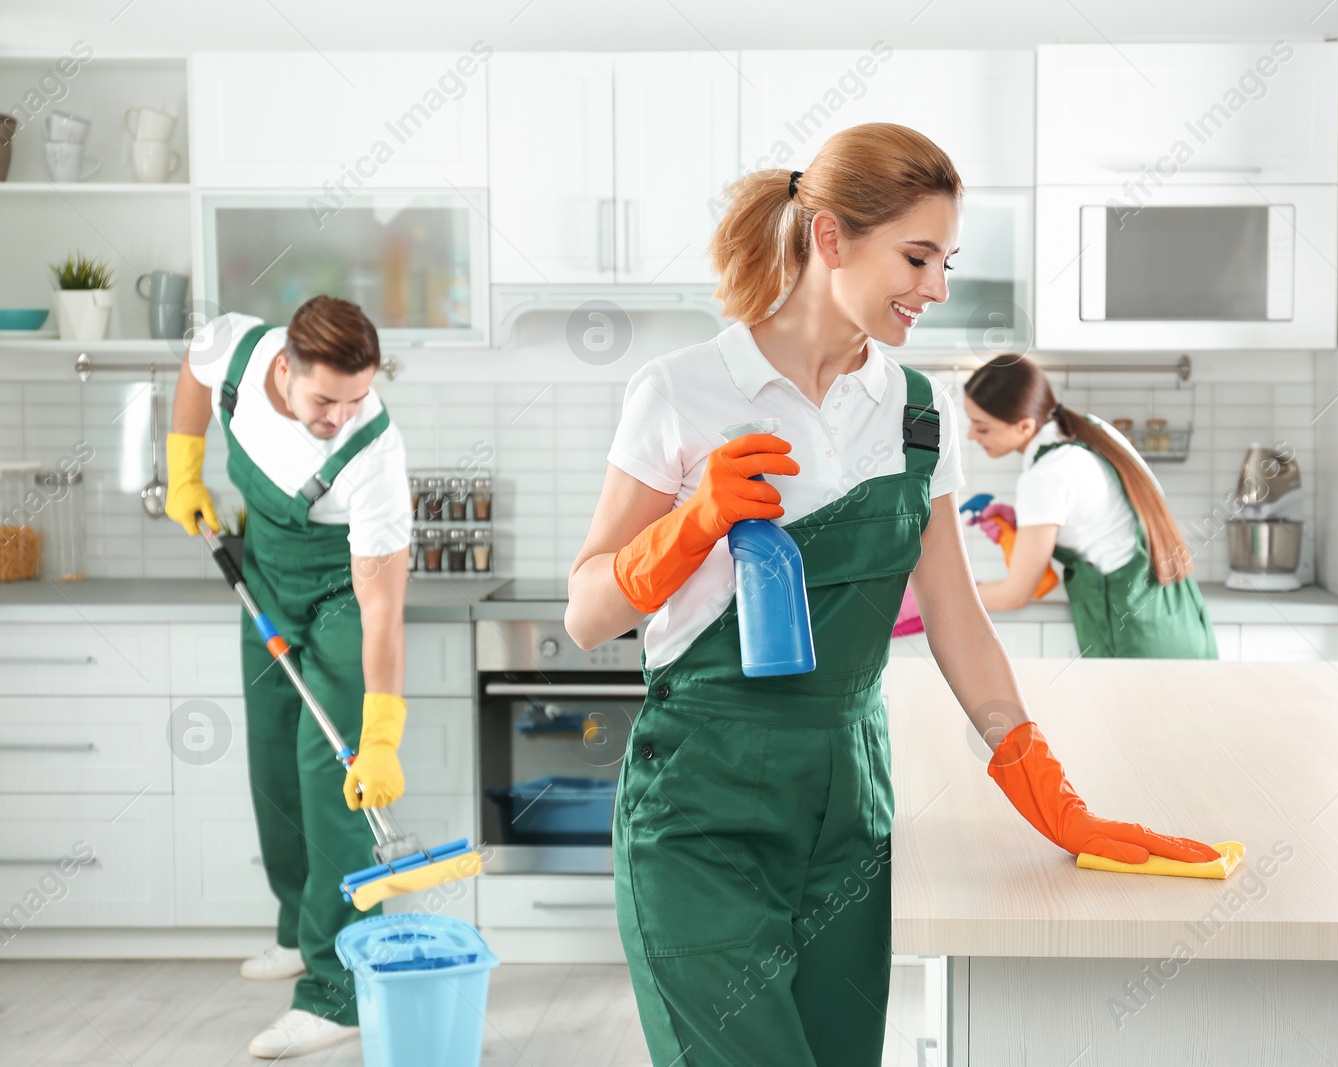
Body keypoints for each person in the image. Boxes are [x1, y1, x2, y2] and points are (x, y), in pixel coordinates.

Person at [565, 122, 1221, 1067]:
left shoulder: (918, 409)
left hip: (848, 805)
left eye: (947, 260)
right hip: (699, 810)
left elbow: (957, 618)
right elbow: (588, 612)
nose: (938, 289)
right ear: (830, 239)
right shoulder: (681, 391)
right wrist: (690, 523)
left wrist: (1048, 791)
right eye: (917, 257)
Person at [164, 296, 413, 1059]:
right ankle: (296, 930)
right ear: (283, 368)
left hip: (341, 600)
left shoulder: (373, 453)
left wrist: (380, 735)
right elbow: (193, 377)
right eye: (324, 400)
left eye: (357, 396)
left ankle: (338, 991)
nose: (342, 414)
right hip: (266, 578)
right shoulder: (236, 349)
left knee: (328, 772)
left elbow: (381, 610)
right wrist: (181, 467)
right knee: (271, 754)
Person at [963, 353, 1218, 658]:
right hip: (1179, 622)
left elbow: (1014, 595)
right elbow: (1101, 520)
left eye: (982, 427)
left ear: (1024, 426)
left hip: (1136, 638)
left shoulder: (1046, 476)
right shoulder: (1092, 430)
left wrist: (937, 600)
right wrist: (1024, 521)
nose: (971, 436)